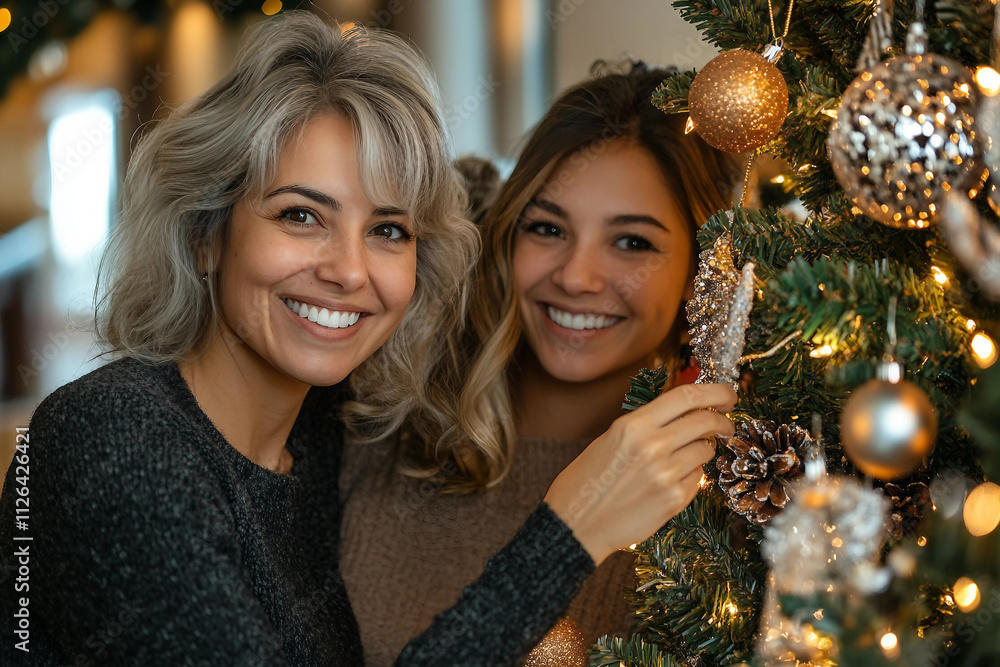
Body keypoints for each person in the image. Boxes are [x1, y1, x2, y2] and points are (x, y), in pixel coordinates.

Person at [0, 14, 734, 666]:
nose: (349, 270)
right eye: (300, 215)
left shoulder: (320, 436)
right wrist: (569, 530)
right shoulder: (108, 436)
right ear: (205, 235)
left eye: (387, 229)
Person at [340, 62, 739, 663]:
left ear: (701, 271)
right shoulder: (379, 421)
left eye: (633, 242)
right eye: (548, 229)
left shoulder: (728, 498)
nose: (577, 277)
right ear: (508, 237)